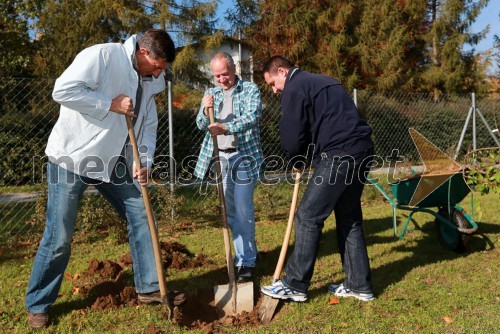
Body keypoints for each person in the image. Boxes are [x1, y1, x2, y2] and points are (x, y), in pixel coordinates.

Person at [25, 29, 184, 328]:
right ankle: (38, 303)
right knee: (59, 236)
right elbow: (63, 90)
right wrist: (109, 103)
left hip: (113, 161)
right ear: (143, 53)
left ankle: (149, 287)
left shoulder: (153, 79)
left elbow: (148, 122)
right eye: (158, 65)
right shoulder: (103, 55)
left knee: (142, 214)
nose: (160, 72)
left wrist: (144, 160)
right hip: (73, 157)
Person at [260, 56, 375, 302]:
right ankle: (358, 285)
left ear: (282, 71)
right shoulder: (325, 81)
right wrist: (308, 155)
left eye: (272, 83)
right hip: (362, 149)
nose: (274, 90)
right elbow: (325, 122)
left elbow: (292, 132)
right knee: (349, 217)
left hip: (340, 154)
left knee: (308, 215)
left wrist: (296, 157)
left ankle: (294, 284)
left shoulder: (294, 87)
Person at [194, 52, 263, 282]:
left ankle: (246, 262)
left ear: (234, 69)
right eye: (217, 76)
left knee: (243, 210)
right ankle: (241, 255)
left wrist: (226, 127)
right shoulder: (210, 94)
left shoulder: (250, 90)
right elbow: (200, 125)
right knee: (229, 211)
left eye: (225, 74)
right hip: (220, 158)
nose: (222, 79)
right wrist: (205, 110)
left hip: (243, 157)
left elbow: (252, 117)